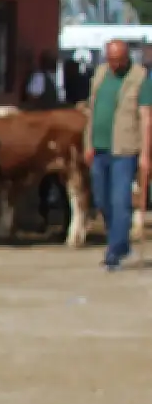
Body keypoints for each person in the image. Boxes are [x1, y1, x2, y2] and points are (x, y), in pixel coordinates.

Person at [83, 38, 152, 271]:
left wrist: (145, 154)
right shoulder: (100, 74)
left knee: (120, 200)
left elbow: (146, 118)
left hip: (125, 148)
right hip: (99, 147)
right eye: (110, 59)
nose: (113, 64)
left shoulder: (140, 77)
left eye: (117, 60)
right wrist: (87, 143)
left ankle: (114, 251)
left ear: (126, 57)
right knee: (102, 199)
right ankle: (120, 243)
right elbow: (92, 111)